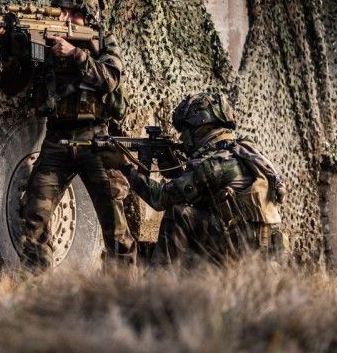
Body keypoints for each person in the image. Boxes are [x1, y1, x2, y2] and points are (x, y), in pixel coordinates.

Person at [18, 0, 135, 269]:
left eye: (72, 13)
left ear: (90, 16)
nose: (64, 19)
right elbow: (12, 87)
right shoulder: (46, 42)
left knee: (115, 228)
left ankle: (124, 296)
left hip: (95, 141)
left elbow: (109, 79)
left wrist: (74, 53)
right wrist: (17, 49)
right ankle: (34, 289)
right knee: (33, 215)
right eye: (61, 12)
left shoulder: (104, 41)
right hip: (57, 141)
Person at [107, 90, 285, 265]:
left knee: (179, 214)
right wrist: (172, 165)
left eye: (185, 130)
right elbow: (201, 193)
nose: (182, 137)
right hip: (260, 249)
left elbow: (159, 198)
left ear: (200, 128)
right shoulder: (242, 152)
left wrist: (125, 167)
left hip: (239, 249)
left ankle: (158, 282)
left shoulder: (216, 164)